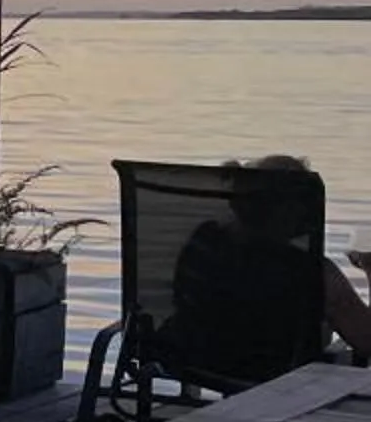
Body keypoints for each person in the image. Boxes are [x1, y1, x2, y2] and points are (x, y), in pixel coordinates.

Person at [157, 155, 371, 379]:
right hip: (269, 377)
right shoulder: (310, 271)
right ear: (295, 211)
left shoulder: (204, 241)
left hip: (190, 359)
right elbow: (366, 341)